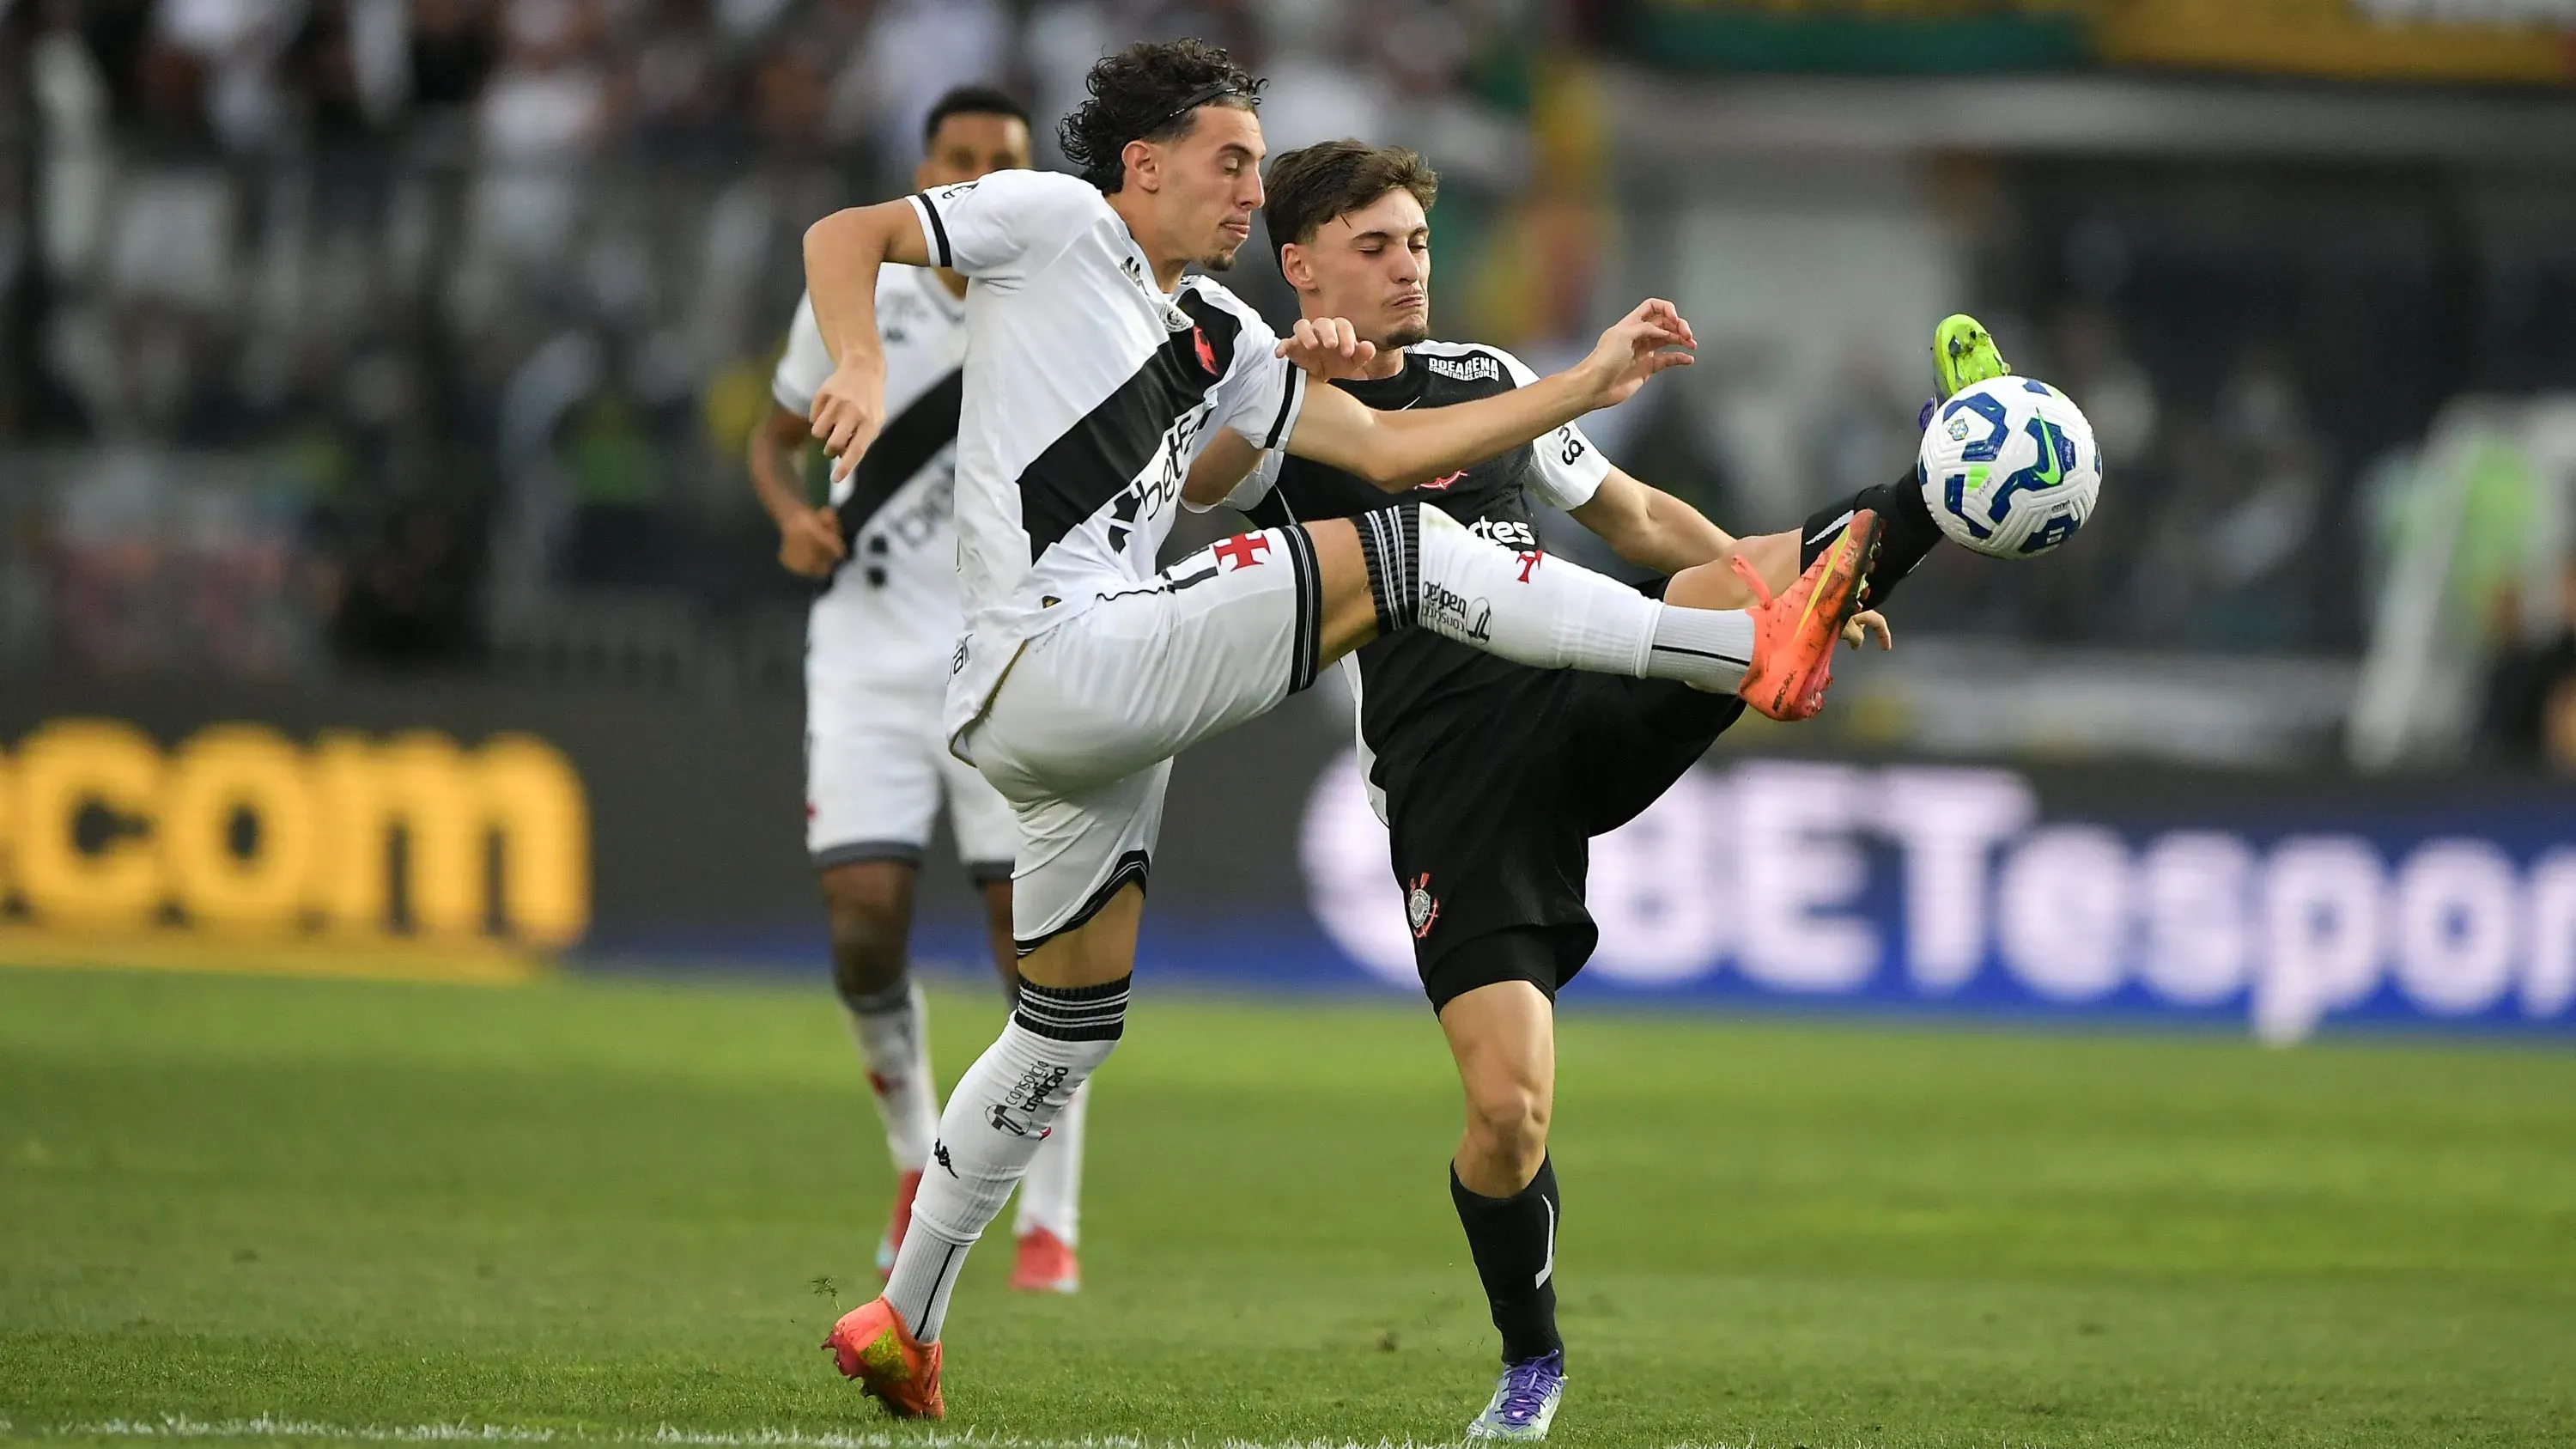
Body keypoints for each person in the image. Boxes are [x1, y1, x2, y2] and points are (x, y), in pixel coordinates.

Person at [798, 40, 1883, 1418]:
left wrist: (1580, 383)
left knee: (1065, 1025)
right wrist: (856, 359)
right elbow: (847, 233)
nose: (1251, 190)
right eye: (1230, 162)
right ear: (1144, 165)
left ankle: (905, 1319)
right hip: (1054, 652)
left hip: (1082, 712)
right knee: (1404, 556)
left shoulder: (1222, 336)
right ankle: (1745, 652)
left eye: (1260, 166)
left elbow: (1384, 449)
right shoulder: (1058, 220)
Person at [1182, 139, 1994, 1440]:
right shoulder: (1280, 402)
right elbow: (1195, 483)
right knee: (1508, 1117)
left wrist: (1792, 594)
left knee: (1723, 585)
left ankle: (1947, 481)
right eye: (1374, 247)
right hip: (1458, 780)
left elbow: (1635, 518)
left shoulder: (1486, 378)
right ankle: (1533, 1358)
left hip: (1583, 680)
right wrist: (1284, 377)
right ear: (1302, 265)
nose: (1408, 269)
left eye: (1418, 244)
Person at [746, 85, 1087, 1299]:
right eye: (959, 155)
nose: (979, 173)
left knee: (1035, 946)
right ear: (924, 166)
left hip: (1007, 657)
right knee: (862, 924)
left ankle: (1049, 1211)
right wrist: (791, 517)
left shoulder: (1056, 300)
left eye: (1003, 158)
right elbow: (774, 441)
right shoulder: (859, 294)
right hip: (867, 655)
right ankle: (910, 1155)